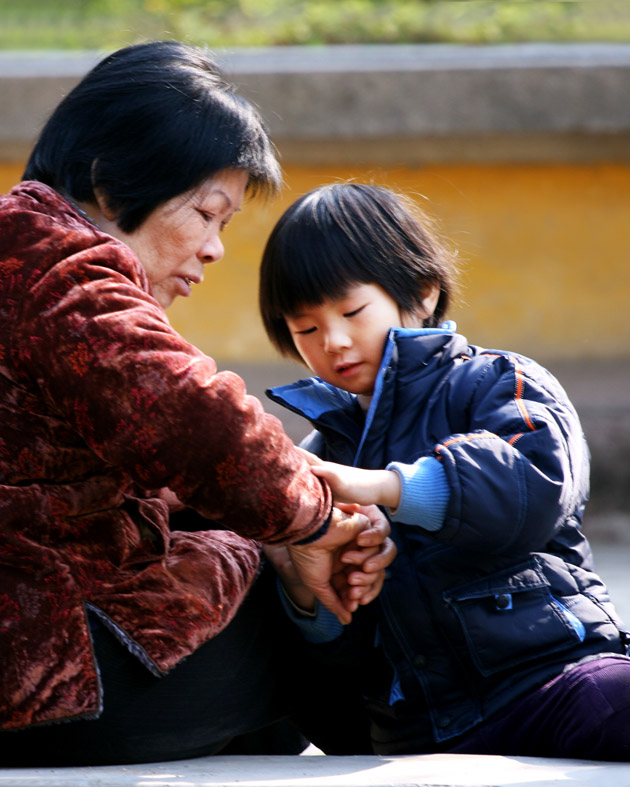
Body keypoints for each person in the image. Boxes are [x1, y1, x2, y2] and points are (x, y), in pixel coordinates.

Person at [0, 42, 395, 766]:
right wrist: (316, 518)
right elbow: (196, 423)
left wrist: (282, 532)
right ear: (112, 187)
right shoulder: (53, 266)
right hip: (46, 670)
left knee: (271, 569)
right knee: (318, 606)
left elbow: (145, 467)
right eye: (207, 213)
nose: (215, 250)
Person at [257, 181, 630, 761]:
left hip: (542, 679)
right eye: (305, 328)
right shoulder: (324, 450)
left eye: (352, 311)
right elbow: (335, 625)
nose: (332, 341)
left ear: (425, 292)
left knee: (625, 704)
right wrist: (313, 596)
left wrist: (386, 486)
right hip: (419, 721)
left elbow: (534, 485)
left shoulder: (496, 383)